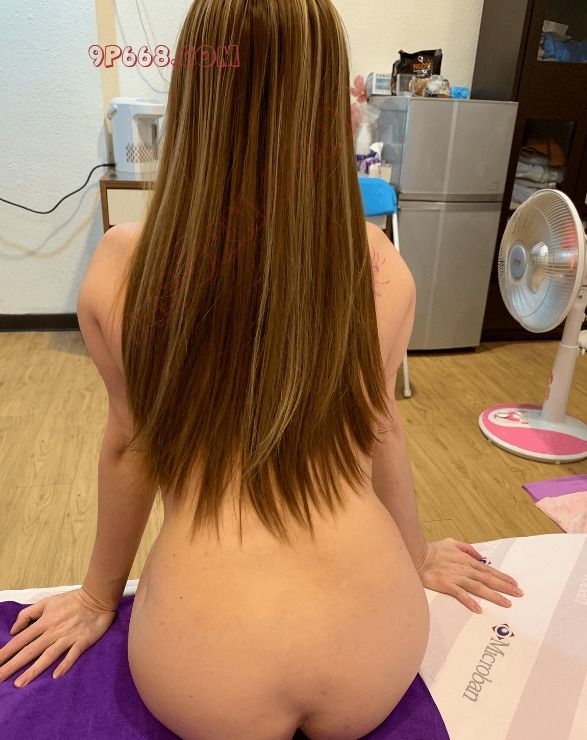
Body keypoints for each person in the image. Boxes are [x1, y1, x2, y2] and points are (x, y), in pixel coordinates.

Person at [0, 1, 524, 737]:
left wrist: (96, 598)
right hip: (376, 645)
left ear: (192, 98)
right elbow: (382, 431)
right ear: (331, 105)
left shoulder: (124, 266)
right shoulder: (381, 267)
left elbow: (129, 446)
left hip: (204, 666)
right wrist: (413, 557)